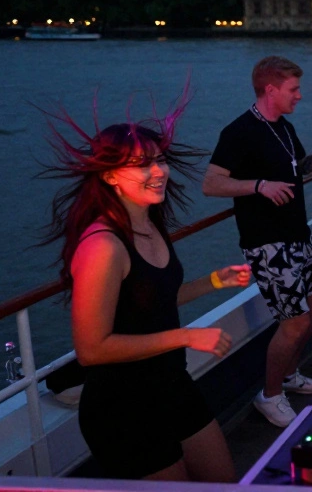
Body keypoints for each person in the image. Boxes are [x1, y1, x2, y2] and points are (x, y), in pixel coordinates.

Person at [46, 104, 250, 481]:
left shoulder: (150, 223)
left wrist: (215, 281)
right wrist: (186, 336)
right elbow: (91, 350)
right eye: (141, 165)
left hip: (171, 384)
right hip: (123, 407)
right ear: (109, 176)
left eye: (159, 160)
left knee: (224, 482)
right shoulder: (102, 246)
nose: (158, 172)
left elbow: (150, 304)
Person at [203, 56, 312, 427]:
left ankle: (290, 373)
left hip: (299, 234)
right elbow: (211, 182)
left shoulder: (284, 127)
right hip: (267, 242)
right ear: (270, 90)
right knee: (294, 322)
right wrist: (259, 186)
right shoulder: (240, 132)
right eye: (293, 89)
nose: (299, 95)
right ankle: (270, 395)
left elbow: (299, 166)